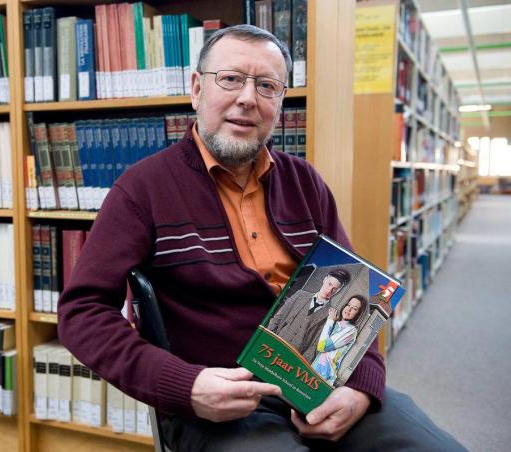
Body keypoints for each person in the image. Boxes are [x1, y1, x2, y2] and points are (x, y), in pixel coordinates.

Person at [58, 24, 464, 450]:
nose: (247, 98)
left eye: (266, 85)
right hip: (221, 405)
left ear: (280, 102)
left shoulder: (305, 182)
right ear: (197, 89)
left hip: (324, 384)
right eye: (230, 79)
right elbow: (82, 312)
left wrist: (361, 386)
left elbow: (359, 295)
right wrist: (186, 385)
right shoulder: (143, 189)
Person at [267, 269, 351, 363]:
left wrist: (299, 363)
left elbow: (315, 345)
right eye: (329, 284)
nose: (329, 290)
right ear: (324, 279)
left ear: (338, 291)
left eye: (335, 289)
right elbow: (278, 318)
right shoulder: (300, 295)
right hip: (273, 344)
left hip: (292, 359)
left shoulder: (331, 316)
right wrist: (268, 339)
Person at [312, 295, 367, 386]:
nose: (349, 309)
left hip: (325, 375)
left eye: (354, 309)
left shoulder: (350, 331)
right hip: (314, 368)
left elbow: (322, 346)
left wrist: (330, 320)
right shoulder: (336, 323)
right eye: (348, 305)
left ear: (358, 314)